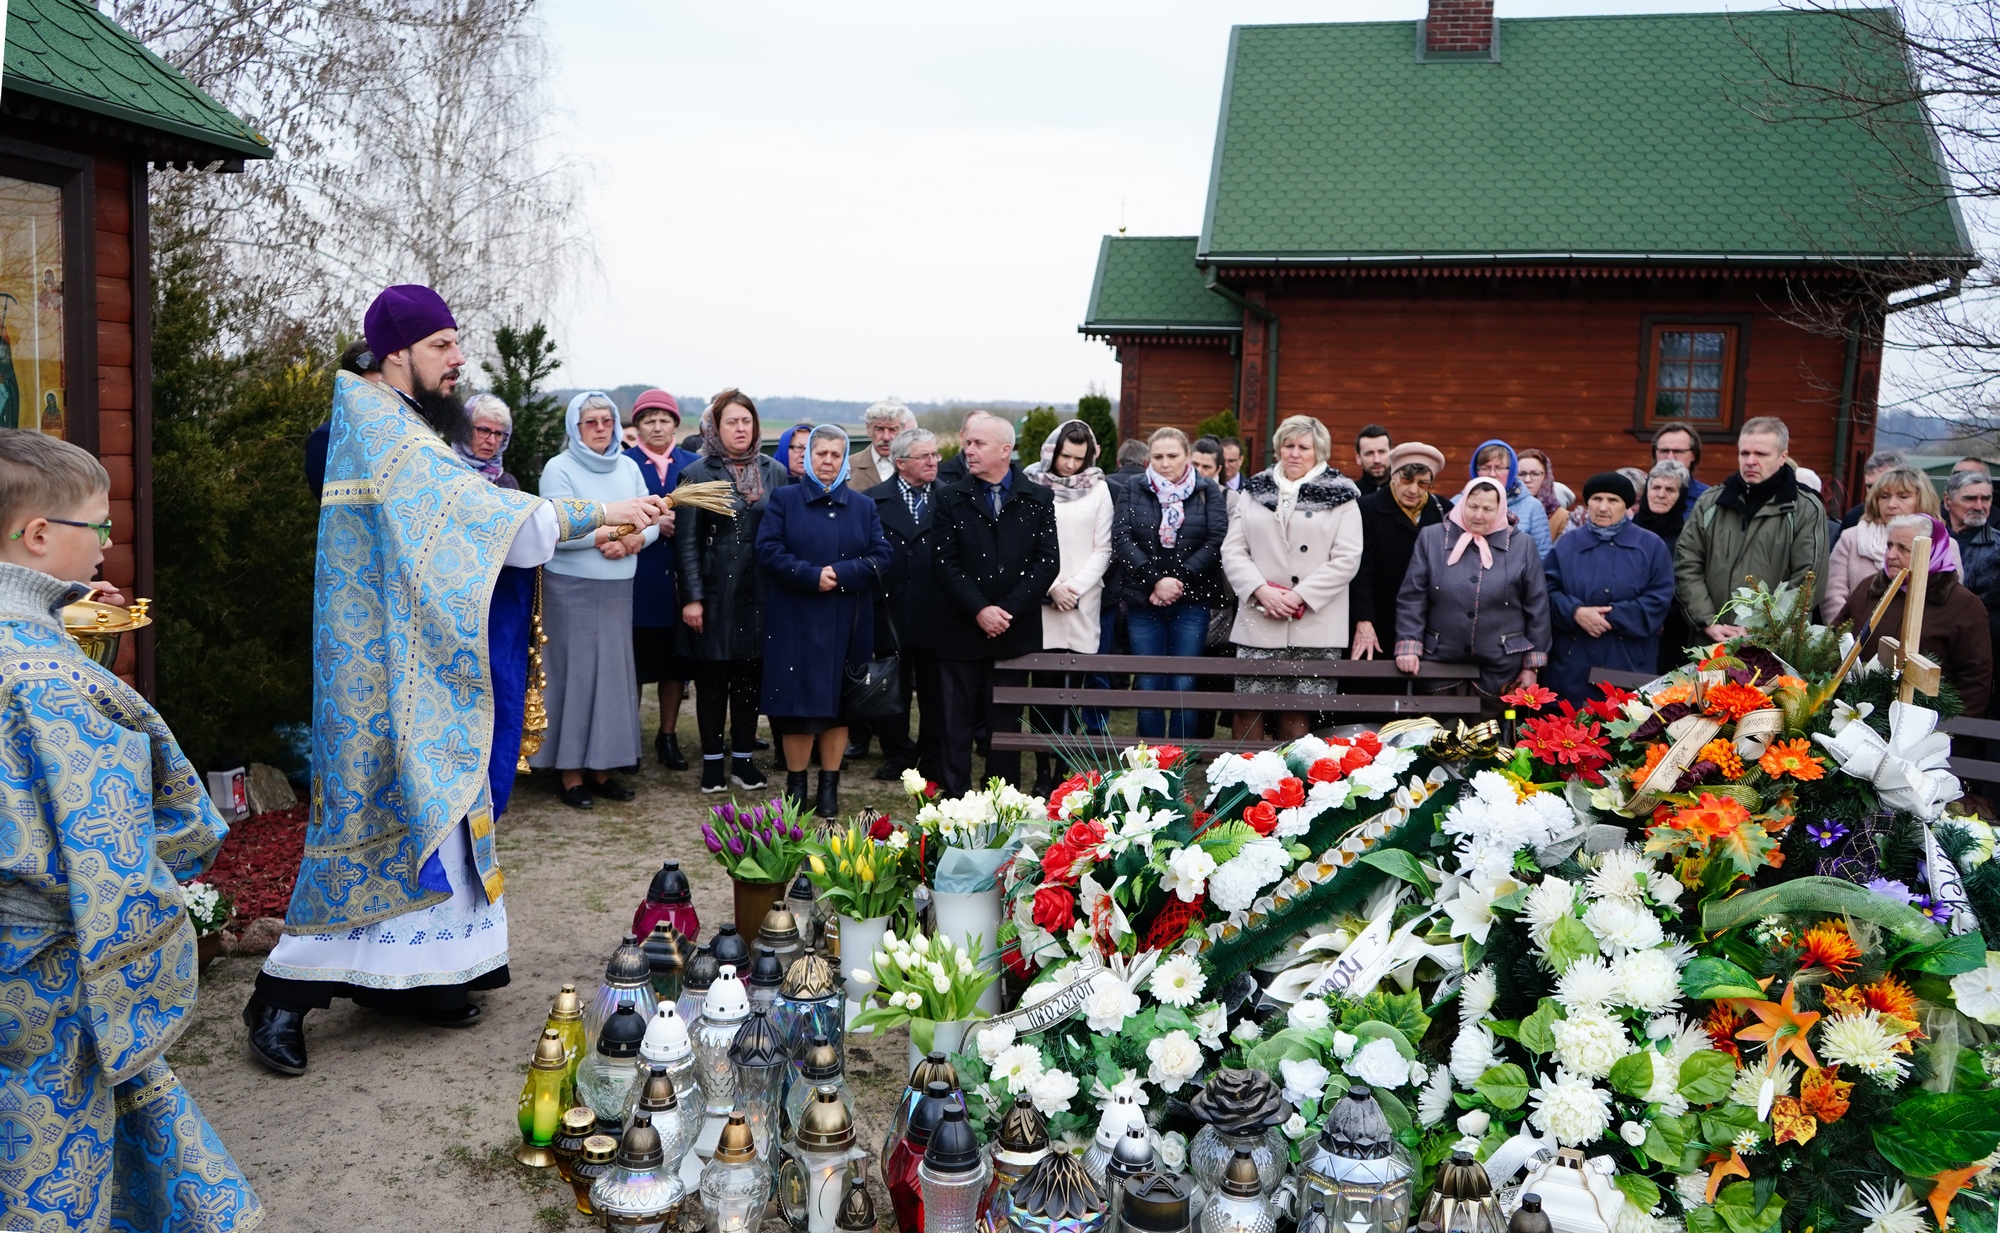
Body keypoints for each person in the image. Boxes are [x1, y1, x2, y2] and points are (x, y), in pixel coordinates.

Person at [246, 285, 663, 1075]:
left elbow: (464, 515)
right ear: (397, 351)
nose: (459, 359)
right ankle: (278, 994)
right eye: (443, 345)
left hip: (416, 656)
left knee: (429, 816)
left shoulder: (393, 423)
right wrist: (602, 515)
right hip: (380, 669)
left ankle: (411, 982)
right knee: (370, 816)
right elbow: (483, 519)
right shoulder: (381, 427)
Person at [0, 431, 264, 1230]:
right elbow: (137, 837)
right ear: (38, 533)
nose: (108, 548)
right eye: (99, 527)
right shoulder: (57, 685)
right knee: (53, 1160)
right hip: (44, 976)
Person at [756, 425, 892, 817]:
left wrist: (845, 574)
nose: (828, 461)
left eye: (836, 454)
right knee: (797, 709)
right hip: (796, 620)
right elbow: (768, 551)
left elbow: (881, 555)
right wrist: (809, 575)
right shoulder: (784, 500)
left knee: (839, 708)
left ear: (845, 459)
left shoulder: (863, 506)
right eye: (821, 454)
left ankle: (829, 787)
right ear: (808, 458)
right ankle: (796, 786)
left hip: (847, 622)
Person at [532, 392, 656, 809]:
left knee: (612, 681)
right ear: (576, 428)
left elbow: (652, 518)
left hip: (618, 591)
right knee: (575, 678)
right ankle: (569, 773)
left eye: (607, 420)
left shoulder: (629, 466)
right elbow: (559, 529)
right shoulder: (559, 468)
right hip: (571, 591)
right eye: (591, 422)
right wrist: (619, 532)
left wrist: (637, 538)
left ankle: (603, 768)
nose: (601, 428)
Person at [930, 411, 1061, 794]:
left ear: (1006, 450)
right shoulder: (950, 497)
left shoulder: (1037, 498)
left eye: (978, 444)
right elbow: (944, 563)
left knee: (1005, 727)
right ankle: (954, 809)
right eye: (967, 443)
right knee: (955, 727)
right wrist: (979, 610)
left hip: (1013, 633)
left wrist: (1007, 611)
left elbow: (1047, 563)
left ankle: (1000, 809)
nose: (967, 450)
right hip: (960, 632)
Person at [1222, 414, 1363, 739]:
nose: (1295, 453)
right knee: (1247, 708)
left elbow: (1347, 558)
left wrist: (1299, 597)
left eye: (1304, 447)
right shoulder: (1254, 489)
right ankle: (1241, 786)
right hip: (1260, 617)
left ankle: (1291, 788)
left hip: (1315, 623)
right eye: (1288, 445)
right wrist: (1261, 591)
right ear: (1278, 449)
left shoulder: (1342, 494)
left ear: (1319, 452)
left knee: (1297, 711)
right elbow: (1233, 550)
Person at [677, 390, 787, 793]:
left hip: (761, 594)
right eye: (731, 422)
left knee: (749, 678)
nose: (740, 429)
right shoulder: (697, 474)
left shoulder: (775, 471)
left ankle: (742, 761)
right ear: (715, 428)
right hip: (714, 592)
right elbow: (685, 542)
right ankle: (711, 764)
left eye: (746, 421)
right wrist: (692, 597)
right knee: (712, 679)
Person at [1111, 427, 1229, 739]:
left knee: (1183, 683)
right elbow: (1121, 538)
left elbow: (1215, 539)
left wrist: (1179, 579)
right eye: (1158, 456)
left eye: (1173, 456)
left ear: (1187, 457)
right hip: (1143, 601)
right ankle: (1147, 763)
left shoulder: (1207, 490)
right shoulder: (1134, 488)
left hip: (1192, 601)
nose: (1165, 463)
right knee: (1148, 683)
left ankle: (1179, 762)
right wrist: (1155, 581)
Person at [1395, 475, 1551, 705]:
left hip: (1501, 667)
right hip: (1439, 661)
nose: (1478, 515)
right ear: (1462, 503)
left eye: (1488, 509)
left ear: (1500, 510)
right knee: (1438, 737)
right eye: (1473, 506)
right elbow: (1413, 597)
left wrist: (1532, 665)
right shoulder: (1432, 538)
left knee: (1491, 739)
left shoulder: (1522, 545)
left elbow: (1537, 605)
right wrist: (1408, 645)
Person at [1673, 416, 1829, 642]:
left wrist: (1762, 629)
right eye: (1744, 453)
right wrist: (1708, 621)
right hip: (1711, 643)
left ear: (1782, 457)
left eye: (1761, 454)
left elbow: (1807, 582)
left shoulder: (1805, 508)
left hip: (1772, 648)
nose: (1750, 461)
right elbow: (1687, 564)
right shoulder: (1710, 502)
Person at [1022, 418, 1115, 792]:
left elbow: (1103, 546)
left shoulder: (1099, 488)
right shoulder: (1031, 483)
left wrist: (1073, 587)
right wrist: (1052, 587)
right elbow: (1024, 542)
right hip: (1042, 598)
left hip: (1081, 600)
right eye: (1065, 456)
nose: (1071, 465)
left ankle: (1065, 768)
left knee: (1072, 690)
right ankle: (1043, 769)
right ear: (1052, 451)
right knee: (1043, 689)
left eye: (1079, 458)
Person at [1542, 472, 1676, 704]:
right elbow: (1547, 592)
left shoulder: (1651, 546)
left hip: (1630, 661)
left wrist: (1611, 616)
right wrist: (1576, 613)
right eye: (1596, 499)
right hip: (1573, 663)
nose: (1603, 507)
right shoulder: (1567, 545)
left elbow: (1659, 598)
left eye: (1612, 500)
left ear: (1627, 506)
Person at [1841, 513, 1993, 715]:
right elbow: (1837, 638)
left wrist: (1951, 733)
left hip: (1925, 727)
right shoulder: (1869, 588)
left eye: (1902, 548)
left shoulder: (1963, 605)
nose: (1891, 555)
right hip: (1857, 717)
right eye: (1889, 545)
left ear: (1931, 552)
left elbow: (1975, 679)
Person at [870, 427, 946, 782]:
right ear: (901, 463)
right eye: (924, 456)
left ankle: (931, 756)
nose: (933, 461)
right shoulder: (873, 501)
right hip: (890, 611)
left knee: (934, 690)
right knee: (891, 687)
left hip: (937, 612)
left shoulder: (950, 498)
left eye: (935, 455)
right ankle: (897, 754)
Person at [626, 388, 696, 770]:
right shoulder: (624, 463)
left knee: (675, 667)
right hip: (641, 578)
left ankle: (667, 736)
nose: (657, 426)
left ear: (675, 424)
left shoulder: (692, 463)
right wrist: (655, 522)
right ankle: (628, 738)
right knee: (635, 664)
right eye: (648, 420)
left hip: (682, 582)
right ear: (637, 426)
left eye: (664, 419)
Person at [1351, 442, 1450, 661]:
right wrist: (1364, 619)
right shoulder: (1366, 508)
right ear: (1392, 476)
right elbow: (1360, 571)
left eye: (1423, 483)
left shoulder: (1444, 510)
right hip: (1379, 619)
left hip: (1429, 622)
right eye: (1406, 481)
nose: (1413, 490)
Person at [1823, 465, 1946, 622]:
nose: (1891, 504)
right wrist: (1847, 636)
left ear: (1922, 499)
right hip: (1856, 637)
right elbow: (1833, 593)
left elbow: (1947, 602)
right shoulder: (1852, 537)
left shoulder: (1943, 543)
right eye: (1884, 496)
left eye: (1903, 496)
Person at [1634, 460, 1695, 669]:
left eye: (1670, 489)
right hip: (1627, 629)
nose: (1661, 494)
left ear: (1682, 496)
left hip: (1672, 633)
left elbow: (1688, 580)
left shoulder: (1688, 536)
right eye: (1656, 487)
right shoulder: (1628, 531)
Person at [305, 341, 383, 496]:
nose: (378, 397)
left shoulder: (398, 431)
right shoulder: (327, 437)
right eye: (369, 389)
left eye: (384, 389)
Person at [1461, 440, 1553, 555]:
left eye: (1499, 468)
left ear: (1512, 470)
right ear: (1476, 470)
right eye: (1485, 468)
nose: (1492, 474)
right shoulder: (1459, 503)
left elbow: (1543, 555)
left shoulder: (1532, 506)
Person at [458, 392, 522, 490]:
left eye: (498, 433)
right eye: (484, 430)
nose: (491, 441)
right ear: (466, 430)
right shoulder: (445, 474)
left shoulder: (507, 483)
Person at [851, 398, 914, 492]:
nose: (886, 437)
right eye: (879, 429)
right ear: (868, 429)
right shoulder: (849, 466)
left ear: (903, 430)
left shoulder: (914, 465)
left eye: (893, 430)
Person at [1840, 448, 1908, 529]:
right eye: (1870, 486)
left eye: (1880, 486)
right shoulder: (1853, 518)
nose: (1874, 492)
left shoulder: (1922, 521)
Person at [1649, 421, 1709, 507]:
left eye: (1678, 451)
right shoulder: (1639, 494)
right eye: (1664, 451)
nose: (1670, 457)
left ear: (1693, 455)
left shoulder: (1707, 498)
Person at [1516, 448, 1570, 540]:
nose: (1527, 480)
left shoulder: (1561, 517)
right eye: (1521, 474)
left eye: (1535, 474)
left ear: (1546, 477)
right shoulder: (1504, 508)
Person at [1948, 468, 1994, 535]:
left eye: (1985, 499)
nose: (1978, 507)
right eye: (1970, 499)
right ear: (1947, 501)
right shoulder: (1932, 541)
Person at [1353, 424, 1392, 495]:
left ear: (1391, 454)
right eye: (1369, 453)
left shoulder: (1404, 495)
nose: (1377, 460)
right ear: (1358, 458)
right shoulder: (1351, 495)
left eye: (1382, 452)